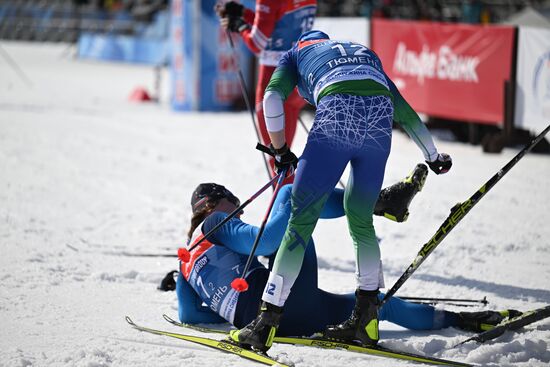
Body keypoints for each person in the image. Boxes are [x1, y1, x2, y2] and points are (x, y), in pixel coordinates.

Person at [229, 30, 454, 352]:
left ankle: (265, 324)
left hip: (337, 118)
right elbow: (402, 109)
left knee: (299, 226)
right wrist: (433, 156)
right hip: (378, 125)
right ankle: (365, 320)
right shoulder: (362, 51)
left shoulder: (293, 53)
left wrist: (279, 150)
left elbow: (271, 98)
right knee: (362, 224)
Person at [176, 181, 519, 339]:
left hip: (269, 323)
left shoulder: (184, 263)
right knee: (290, 193)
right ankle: (375, 203)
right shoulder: (215, 223)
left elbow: (189, 314)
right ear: (214, 204)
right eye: (235, 205)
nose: (239, 211)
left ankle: (465, 319)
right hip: (276, 306)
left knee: (374, 306)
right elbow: (268, 239)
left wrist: (224, 303)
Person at [215, 0, 317, 179]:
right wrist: (243, 13)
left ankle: (287, 206)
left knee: (279, 161)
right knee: (285, 158)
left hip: (275, 79)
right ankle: (292, 203)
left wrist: (239, 26)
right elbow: (276, 25)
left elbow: (257, 42)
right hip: (299, 74)